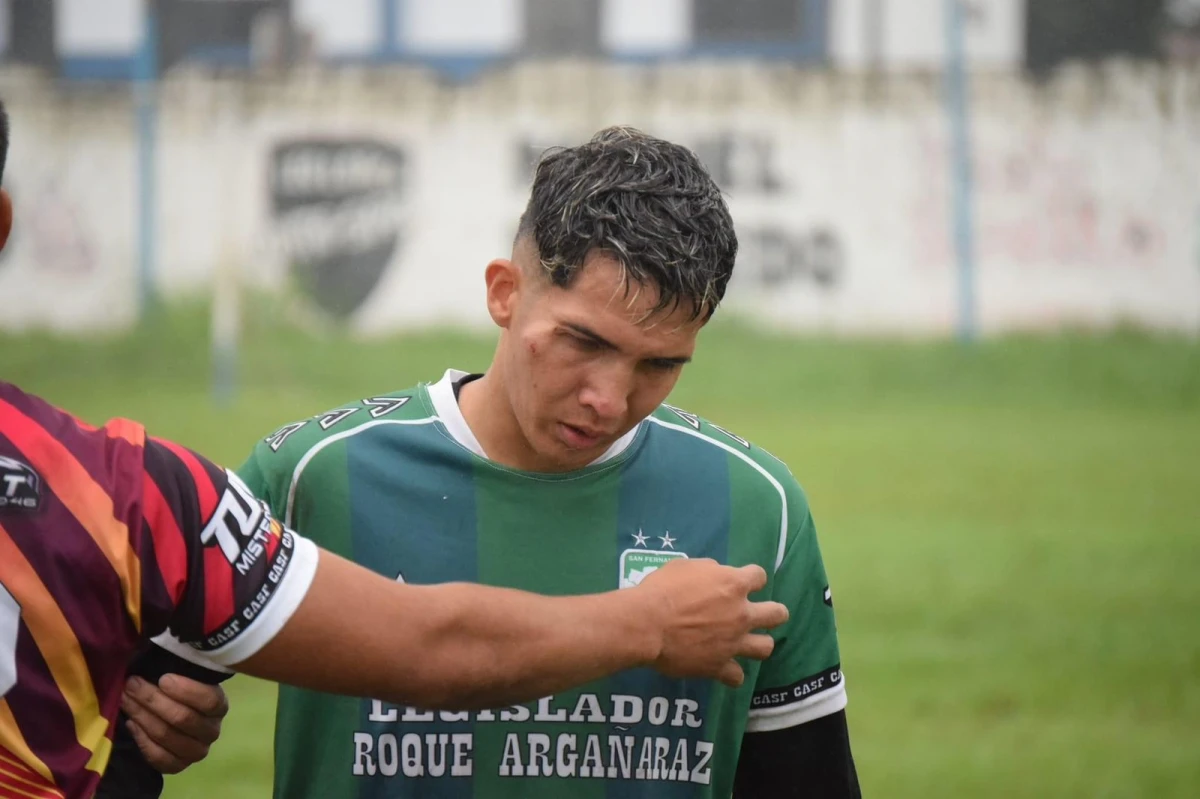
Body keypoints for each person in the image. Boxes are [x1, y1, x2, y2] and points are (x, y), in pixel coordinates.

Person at [0, 103, 791, 799]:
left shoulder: (759, 502)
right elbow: (148, 712)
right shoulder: (293, 474)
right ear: (505, 292)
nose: (610, 400)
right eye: (582, 341)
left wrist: (157, 714)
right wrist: (162, 712)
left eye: (659, 365)